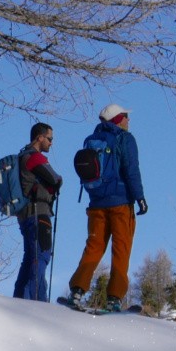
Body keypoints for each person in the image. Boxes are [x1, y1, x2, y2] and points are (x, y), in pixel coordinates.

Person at [65, 104, 146, 311]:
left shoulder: (92, 139)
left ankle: (77, 291)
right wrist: (140, 198)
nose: (129, 120)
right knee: (121, 249)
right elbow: (131, 169)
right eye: (126, 116)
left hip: (96, 205)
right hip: (120, 204)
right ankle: (114, 299)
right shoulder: (125, 139)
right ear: (118, 119)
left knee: (93, 248)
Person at [12, 122, 62, 301]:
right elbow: (55, 179)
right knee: (41, 256)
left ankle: (19, 298)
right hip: (38, 213)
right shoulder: (34, 157)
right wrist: (57, 181)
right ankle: (36, 302)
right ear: (39, 137)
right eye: (49, 139)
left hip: (25, 214)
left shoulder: (21, 156)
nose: (51, 143)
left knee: (29, 258)